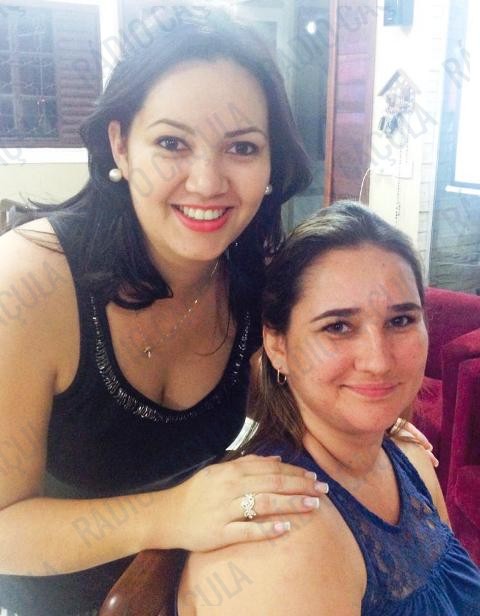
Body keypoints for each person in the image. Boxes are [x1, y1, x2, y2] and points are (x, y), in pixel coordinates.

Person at [0, 10, 431, 615]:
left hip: (212, 580)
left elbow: (275, 388)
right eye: (171, 143)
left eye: (242, 147)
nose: (207, 182)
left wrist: (363, 413)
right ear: (120, 144)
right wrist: (169, 514)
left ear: (271, 162)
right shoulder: (29, 282)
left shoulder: (251, 277)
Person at [178, 202, 480, 616]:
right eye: (337, 327)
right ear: (278, 346)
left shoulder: (410, 456)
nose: (378, 361)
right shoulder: (282, 545)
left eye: (400, 321)